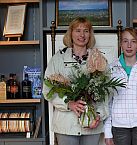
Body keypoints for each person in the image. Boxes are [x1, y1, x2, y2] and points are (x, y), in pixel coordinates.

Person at [42, 17, 109, 145]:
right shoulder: (58, 59)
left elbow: (107, 92)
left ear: (90, 34)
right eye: (78, 30)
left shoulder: (99, 59)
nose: (82, 35)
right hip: (66, 125)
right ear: (71, 33)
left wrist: (99, 115)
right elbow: (47, 90)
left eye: (86, 31)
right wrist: (69, 104)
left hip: (92, 124)